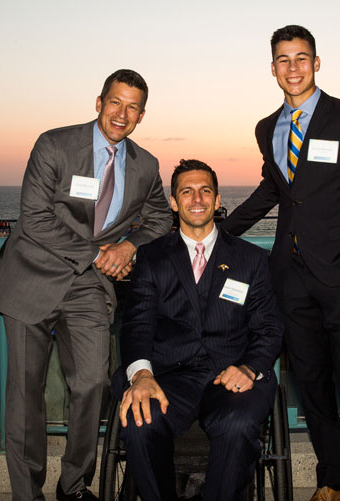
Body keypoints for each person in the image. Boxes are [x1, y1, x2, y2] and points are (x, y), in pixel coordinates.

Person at [219, 26, 340, 501]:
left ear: (317, 63)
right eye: (283, 59)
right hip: (290, 283)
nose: (292, 67)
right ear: (272, 67)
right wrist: (216, 234)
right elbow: (273, 192)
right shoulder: (266, 128)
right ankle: (333, 480)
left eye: (302, 58)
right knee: (313, 390)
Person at [0, 69, 173, 501]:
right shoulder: (54, 144)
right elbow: (34, 219)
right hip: (33, 274)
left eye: (132, 107)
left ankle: (73, 486)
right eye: (115, 102)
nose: (121, 113)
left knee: (93, 383)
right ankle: (27, 493)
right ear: (98, 102)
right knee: (25, 397)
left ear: (141, 116)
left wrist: (127, 246)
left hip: (88, 286)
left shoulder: (146, 165)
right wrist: (98, 254)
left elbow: (160, 218)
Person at [117, 159, 284, 500]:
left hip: (232, 373)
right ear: (174, 203)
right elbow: (137, 322)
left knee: (236, 426)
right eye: (187, 192)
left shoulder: (251, 259)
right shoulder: (152, 257)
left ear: (218, 200)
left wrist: (250, 367)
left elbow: (269, 326)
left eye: (205, 191)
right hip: (169, 375)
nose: (197, 199)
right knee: (139, 420)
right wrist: (142, 376)